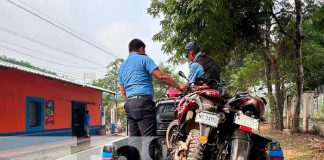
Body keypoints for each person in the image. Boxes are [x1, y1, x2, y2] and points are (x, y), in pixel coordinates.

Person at [118, 38, 185, 159]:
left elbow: (122, 89)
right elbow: (161, 76)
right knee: (148, 141)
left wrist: (128, 101)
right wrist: (179, 86)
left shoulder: (122, 66)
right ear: (141, 49)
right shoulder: (144, 59)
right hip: (143, 103)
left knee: (134, 141)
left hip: (129, 105)